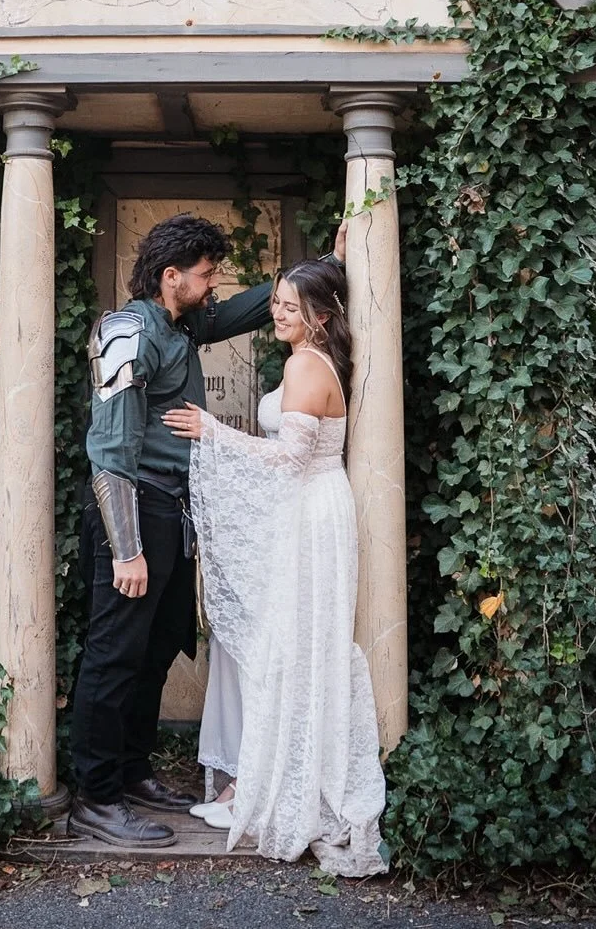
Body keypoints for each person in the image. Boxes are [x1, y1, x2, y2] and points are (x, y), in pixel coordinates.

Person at [68, 215, 346, 848]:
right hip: (131, 511)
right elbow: (110, 451)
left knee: (158, 643)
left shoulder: (180, 323)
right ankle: (96, 798)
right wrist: (127, 548)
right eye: (205, 274)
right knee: (112, 656)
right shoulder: (126, 333)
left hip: (173, 511)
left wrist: (328, 264)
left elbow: (244, 313)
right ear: (172, 277)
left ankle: (133, 771)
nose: (214, 284)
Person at [162, 260, 388, 876]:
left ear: (319, 315)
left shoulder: (303, 366)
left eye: (290, 306)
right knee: (289, 646)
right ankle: (256, 781)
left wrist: (211, 429)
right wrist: (341, 244)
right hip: (312, 509)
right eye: (277, 303)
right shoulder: (316, 361)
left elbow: (289, 459)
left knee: (290, 647)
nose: (278, 313)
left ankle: (283, 789)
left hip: (310, 513)